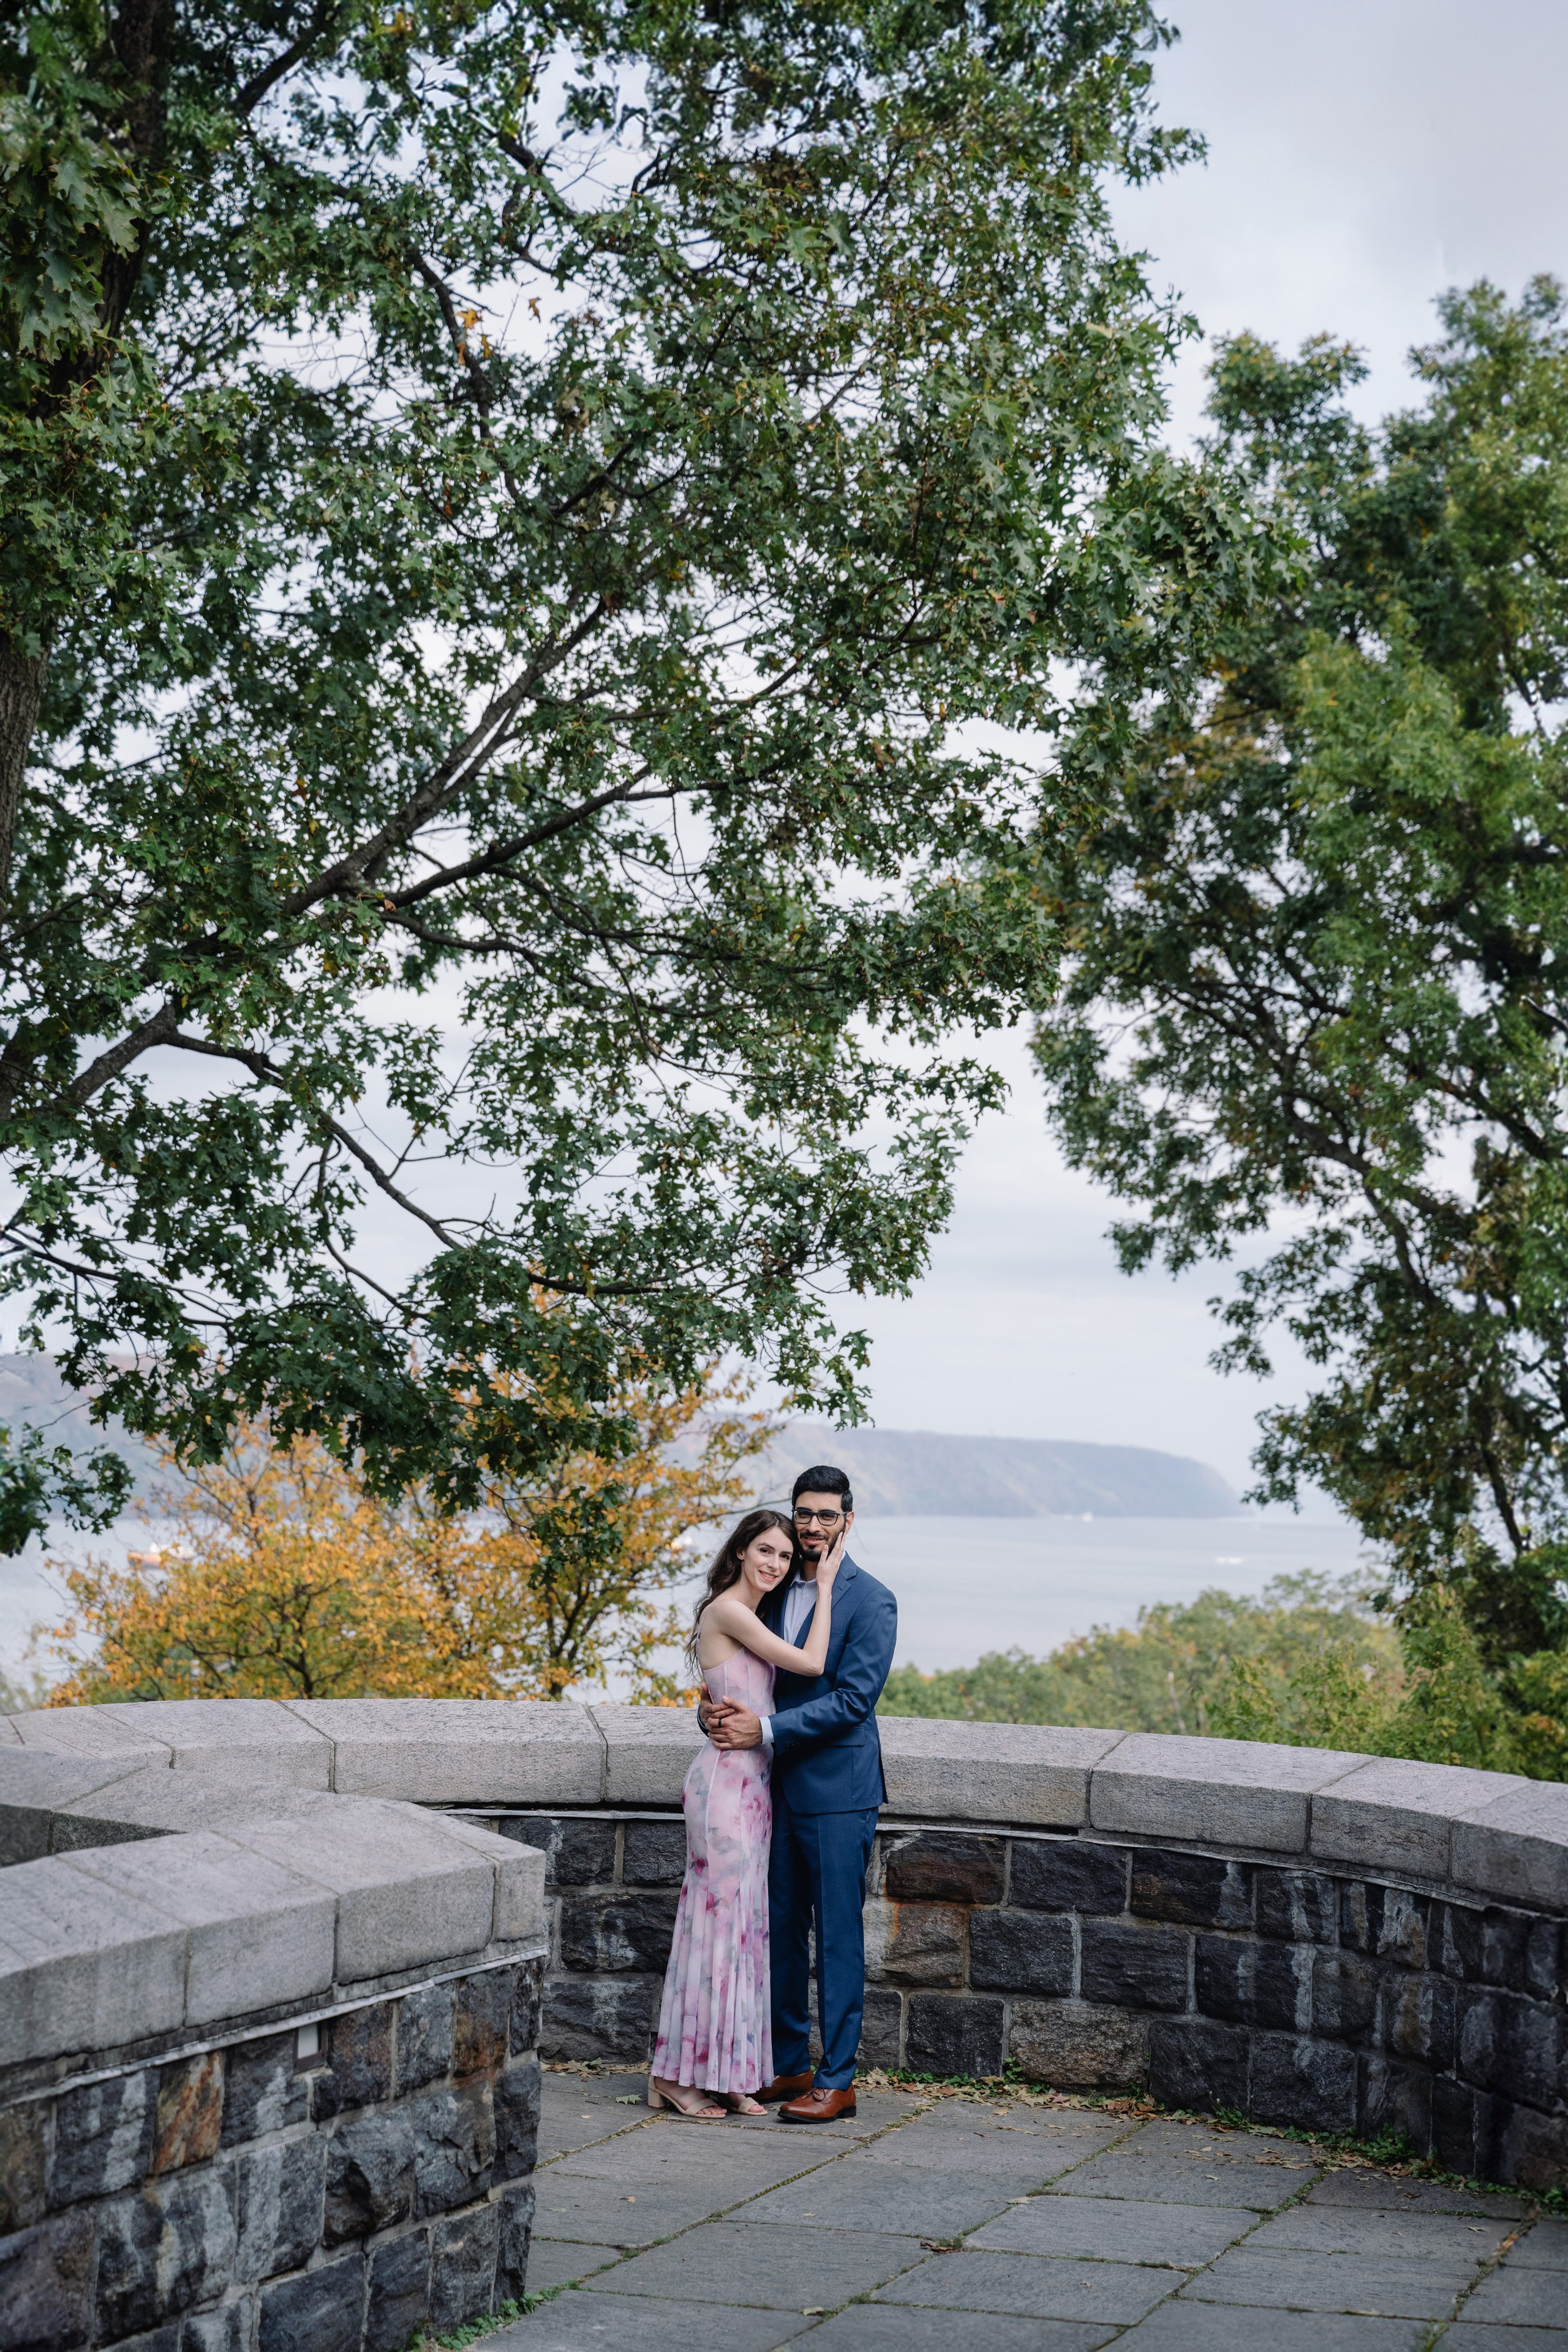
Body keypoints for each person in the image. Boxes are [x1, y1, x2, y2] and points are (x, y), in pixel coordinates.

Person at [702, 1464, 897, 2124]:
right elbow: (744, 1674)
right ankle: (788, 2064)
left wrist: (765, 1729)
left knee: (836, 1935)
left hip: (838, 1791)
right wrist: (715, 1715)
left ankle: (837, 2081)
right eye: (803, 1513)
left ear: (847, 1520)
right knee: (779, 1931)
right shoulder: (774, 1585)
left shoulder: (872, 1600)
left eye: (826, 1515)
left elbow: (852, 1701)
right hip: (768, 1789)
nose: (812, 1526)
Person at [648, 1507, 844, 2120]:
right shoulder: (728, 1610)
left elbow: (739, 1698)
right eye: (765, 1551)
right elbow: (810, 1665)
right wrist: (829, 1584)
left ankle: (728, 2073)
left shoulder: (751, 1616)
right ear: (739, 1552)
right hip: (725, 1788)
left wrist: (711, 1710)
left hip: (754, 1787)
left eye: (785, 1558)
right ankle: (673, 2076)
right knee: (711, 1931)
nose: (775, 1564)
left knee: (743, 1934)